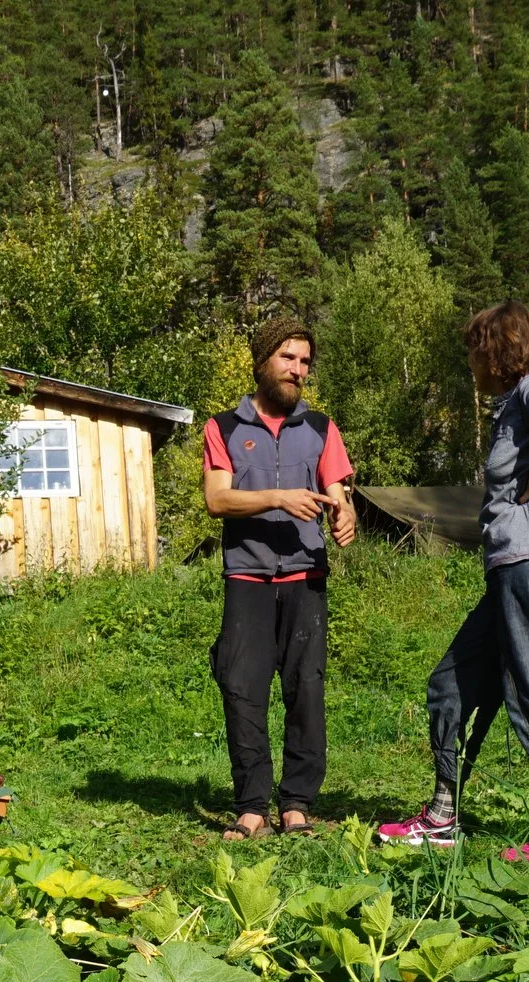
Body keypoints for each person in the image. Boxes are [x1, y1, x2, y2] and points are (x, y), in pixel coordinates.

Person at [380, 301, 529, 860]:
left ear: (494, 351)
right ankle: (441, 818)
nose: (471, 365)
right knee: (453, 682)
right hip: (513, 564)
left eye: (475, 351)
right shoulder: (512, 408)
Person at [202, 316, 357, 839]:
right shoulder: (223, 427)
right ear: (264, 359)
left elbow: (338, 490)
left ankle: (296, 805)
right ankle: (251, 807)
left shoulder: (320, 427)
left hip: (305, 577)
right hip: (246, 577)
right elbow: (217, 499)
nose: (297, 370)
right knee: (242, 689)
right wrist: (276, 497)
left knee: (305, 689)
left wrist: (345, 513)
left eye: (305, 361)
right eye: (288, 357)